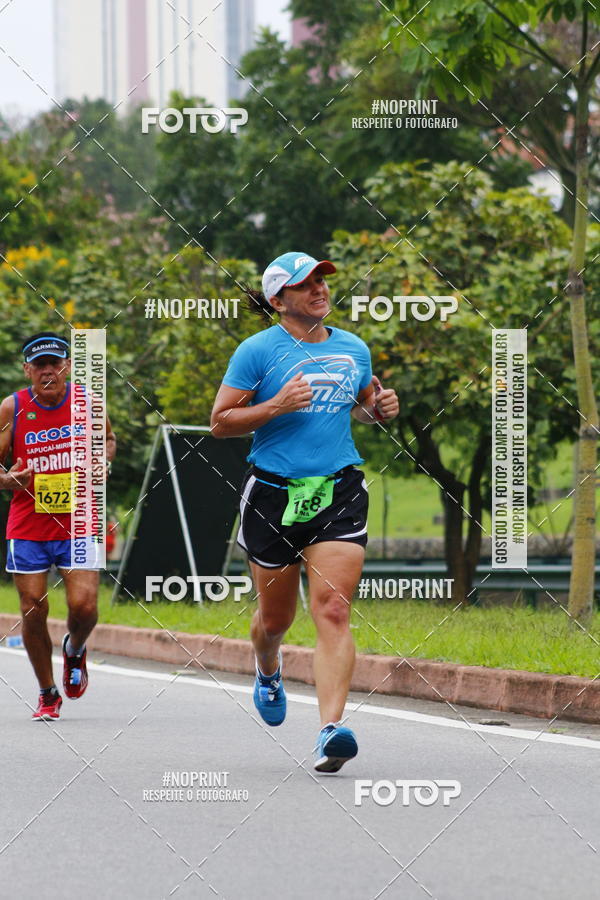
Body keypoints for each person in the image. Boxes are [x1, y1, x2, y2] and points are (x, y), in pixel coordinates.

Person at [211, 252, 399, 772]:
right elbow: (220, 422)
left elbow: (361, 407)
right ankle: (267, 667)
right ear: (278, 300)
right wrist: (275, 407)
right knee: (276, 619)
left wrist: (378, 410)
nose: (318, 289)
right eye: (304, 284)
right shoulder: (257, 352)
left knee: (333, 610)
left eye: (321, 279)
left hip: (338, 489)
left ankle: (330, 730)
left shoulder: (352, 347)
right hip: (272, 494)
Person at [0, 332, 116, 720]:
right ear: (27, 369)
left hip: (80, 520)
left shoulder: (88, 403)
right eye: (39, 365)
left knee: (84, 607)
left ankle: (74, 649)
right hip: (28, 524)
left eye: (55, 363)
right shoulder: (11, 408)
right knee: (33, 608)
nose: (47, 371)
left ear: (66, 365)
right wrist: (7, 481)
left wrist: (103, 463)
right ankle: (48, 693)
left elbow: (109, 441)